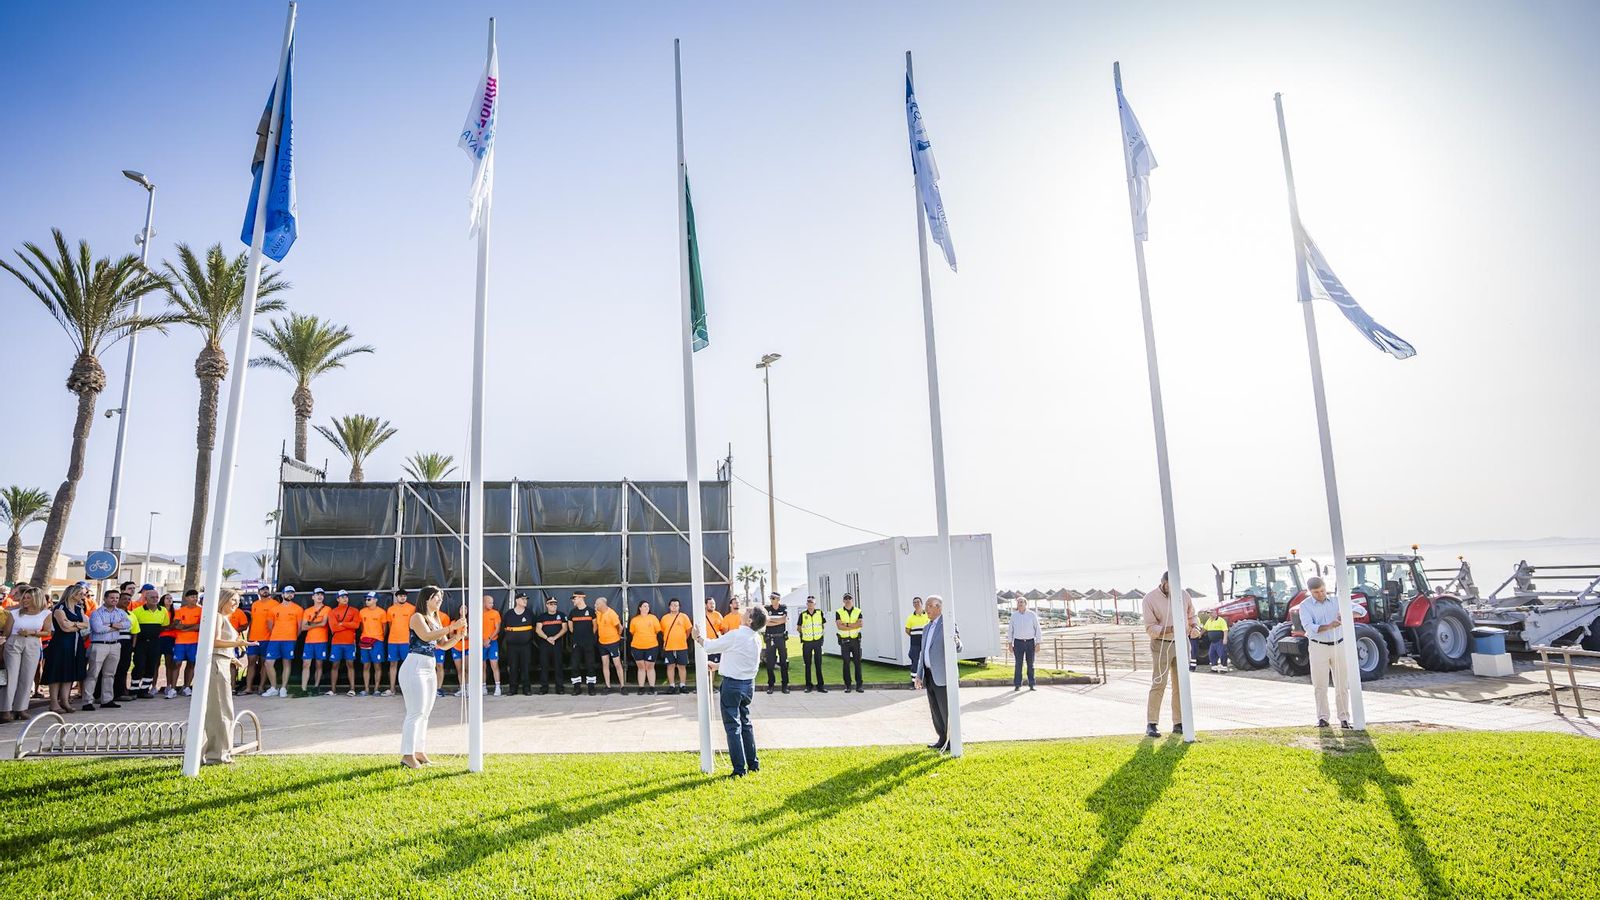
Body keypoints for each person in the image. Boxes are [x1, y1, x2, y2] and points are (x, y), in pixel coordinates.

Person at [692, 603, 767, 778]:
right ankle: (753, 764)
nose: (744, 609)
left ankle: (739, 770)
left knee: (733, 727)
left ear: (750, 620)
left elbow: (710, 646)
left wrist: (698, 637)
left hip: (733, 685)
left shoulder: (736, 635)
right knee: (746, 725)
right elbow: (742, 659)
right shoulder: (756, 638)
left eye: (748, 611)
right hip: (748, 685)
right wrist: (718, 666)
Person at [398, 585, 467, 768]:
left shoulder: (435, 619)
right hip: (414, 666)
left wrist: (458, 636)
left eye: (441, 598)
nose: (439, 600)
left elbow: (443, 645)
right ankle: (407, 754)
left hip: (429, 666)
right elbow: (427, 636)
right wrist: (452, 626)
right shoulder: (417, 617)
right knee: (415, 712)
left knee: (425, 713)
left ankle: (419, 752)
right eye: (436, 597)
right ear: (426, 598)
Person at [1141, 572, 1200, 738]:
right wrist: (1172, 629)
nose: (1173, 589)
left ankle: (1179, 723)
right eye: (1170, 586)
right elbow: (1150, 629)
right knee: (1159, 683)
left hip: (1182, 644)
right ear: (1163, 583)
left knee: (1180, 684)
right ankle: (1151, 724)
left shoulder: (1184, 595)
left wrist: (1196, 627)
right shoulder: (1149, 599)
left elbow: (1192, 616)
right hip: (1161, 645)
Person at [202, 589, 252, 765]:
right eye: (233, 600)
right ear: (223, 600)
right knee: (221, 710)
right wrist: (238, 643)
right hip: (217, 665)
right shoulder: (217, 616)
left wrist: (232, 658)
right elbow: (213, 642)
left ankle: (215, 751)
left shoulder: (225, 618)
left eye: (238, 601)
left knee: (221, 709)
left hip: (223, 662)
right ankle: (217, 755)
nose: (236, 604)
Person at [1299, 576, 1352, 729]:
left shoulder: (1337, 600)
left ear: (1325, 587)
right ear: (1310, 592)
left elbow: (1360, 610)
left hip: (1339, 645)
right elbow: (1309, 627)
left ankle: (1344, 718)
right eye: (1316, 592)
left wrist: (1348, 615)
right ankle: (1322, 718)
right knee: (1320, 684)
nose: (1320, 594)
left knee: (1342, 684)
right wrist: (1329, 626)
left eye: (1322, 590)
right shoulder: (1305, 606)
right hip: (1318, 647)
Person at [2, 585, 50, 721]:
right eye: (24, 597)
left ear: (37, 599)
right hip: (14, 643)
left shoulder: (45, 613)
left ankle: (21, 708)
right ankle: (5, 709)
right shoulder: (15, 613)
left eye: (29, 598)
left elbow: (47, 632)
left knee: (27, 676)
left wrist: (32, 632)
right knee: (11, 676)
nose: (25, 600)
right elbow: (6, 633)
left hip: (33, 643)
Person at [912, 595, 952, 752]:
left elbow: (958, 645)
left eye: (929, 606)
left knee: (945, 709)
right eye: (926, 606)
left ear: (938, 607)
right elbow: (923, 653)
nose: (926, 609)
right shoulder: (927, 627)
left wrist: (956, 642)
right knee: (935, 709)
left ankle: (951, 739)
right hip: (928, 674)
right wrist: (919, 674)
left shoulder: (947, 624)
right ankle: (941, 738)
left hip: (941, 675)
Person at [43, 583, 91, 713]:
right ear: (72, 594)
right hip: (61, 644)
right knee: (57, 672)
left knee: (69, 672)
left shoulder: (78, 608)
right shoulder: (59, 608)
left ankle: (65, 700)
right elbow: (64, 627)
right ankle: (53, 702)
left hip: (75, 643)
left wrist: (73, 624)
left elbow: (86, 624)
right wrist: (77, 625)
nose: (83, 596)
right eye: (80, 593)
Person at [84, 588, 133, 710]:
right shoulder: (97, 613)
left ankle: (107, 699)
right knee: (93, 674)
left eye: (116, 598)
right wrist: (115, 626)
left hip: (115, 645)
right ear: (105, 599)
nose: (114, 600)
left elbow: (128, 625)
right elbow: (98, 629)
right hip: (99, 644)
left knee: (110, 674)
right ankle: (87, 701)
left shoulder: (121, 612)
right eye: (112, 598)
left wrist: (109, 625)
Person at [130, 587, 171, 697]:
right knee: (139, 665)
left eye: (157, 597)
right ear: (146, 598)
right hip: (141, 642)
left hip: (155, 642)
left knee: (151, 665)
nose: (155, 599)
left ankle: (144, 690)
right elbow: (133, 628)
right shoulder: (137, 611)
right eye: (152, 597)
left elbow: (165, 625)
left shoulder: (163, 610)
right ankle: (133, 689)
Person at [264, 587, 303, 697]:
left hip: (290, 640)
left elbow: (299, 627)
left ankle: (283, 688)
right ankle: (273, 687)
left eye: (292, 593)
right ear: (282, 594)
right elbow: (270, 626)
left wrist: (292, 636)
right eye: (287, 592)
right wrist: (277, 634)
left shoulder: (298, 609)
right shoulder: (274, 609)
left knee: (287, 663)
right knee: (268, 663)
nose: (290, 595)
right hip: (274, 639)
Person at [168, 590, 204, 698]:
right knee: (177, 664)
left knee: (191, 664)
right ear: (186, 598)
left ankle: (187, 687)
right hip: (180, 641)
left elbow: (200, 626)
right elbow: (177, 626)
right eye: (192, 597)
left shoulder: (201, 610)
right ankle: (173, 688)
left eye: (196, 597)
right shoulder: (180, 611)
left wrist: (186, 627)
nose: (195, 599)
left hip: (194, 641)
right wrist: (193, 627)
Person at [243, 588, 278, 695]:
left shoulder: (275, 604)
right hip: (254, 638)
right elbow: (252, 621)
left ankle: (261, 687)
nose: (265, 591)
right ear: (259, 592)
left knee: (264, 663)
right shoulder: (255, 604)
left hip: (267, 638)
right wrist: (248, 636)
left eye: (266, 589)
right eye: (262, 590)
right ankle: (248, 687)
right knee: (251, 662)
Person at [327, 590, 361, 696]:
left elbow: (356, 625)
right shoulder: (332, 612)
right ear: (337, 599)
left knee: (350, 664)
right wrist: (348, 624)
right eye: (342, 597)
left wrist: (342, 623)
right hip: (336, 643)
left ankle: (352, 689)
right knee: (335, 665)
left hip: (350, 642)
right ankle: (333, 690)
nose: (345, 598)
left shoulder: (354, 611)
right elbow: (334, 627)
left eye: (346, 596)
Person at [298, 589, 332, 695]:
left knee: (319, 664)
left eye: (321, 594)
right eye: (317, 594)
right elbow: (303, 627)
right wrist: (316, 623)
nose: (319, 596)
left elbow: (324, 623)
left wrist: (310, 624)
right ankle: (303, 688)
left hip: (321, 641)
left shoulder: (327, 609)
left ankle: (316, 687)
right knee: (306, 664)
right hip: (309, 641)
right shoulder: (307, 610)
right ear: (313, 597)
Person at [501, 593, 535, 695]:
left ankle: (526, 689)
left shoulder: (529, 613)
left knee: (526, 667)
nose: (525, 601)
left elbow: (534, 628)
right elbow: (503, 629)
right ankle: (513, 689)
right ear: (517, 600)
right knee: (513, 667)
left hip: (526, 646)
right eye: (523, 599)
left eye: (526, 599)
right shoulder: (509, 614)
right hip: (512, 647)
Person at [384, 588, 415, 697]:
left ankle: (408, 689)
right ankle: (392, 689)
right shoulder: (391, 609)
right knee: (393, 664)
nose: (403, 597)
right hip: (392, 641)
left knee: (407, 665)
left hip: (406, 641)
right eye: (401, 595)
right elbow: (389, 625)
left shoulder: (412, 608)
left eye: (405, 596)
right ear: (396, 597)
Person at [534, 597, 568, 695]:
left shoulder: (561, 615)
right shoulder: (542, 616)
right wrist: (547, 638)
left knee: (558, 666)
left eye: (555, 604)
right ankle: (544, 688)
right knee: (544, 666)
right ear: (547, 605)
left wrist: (555, 638)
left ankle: (560, 688)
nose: (553, 606)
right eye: (551, 604)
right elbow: (538, 630)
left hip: (557, 644)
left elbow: (564, 628)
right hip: (545, 645)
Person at [659, 598, 694, 695]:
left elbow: (689, 629)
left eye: (676, 605)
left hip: (681, 646)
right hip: (669, 646)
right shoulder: (664, 618)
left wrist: (683, 638)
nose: (674, 607)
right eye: (672, 605)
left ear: (679, 607)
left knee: (682, 666)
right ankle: (672, 686)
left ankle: (682, 685)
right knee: (670, 666)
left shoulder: (684, 617)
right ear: (669, 606)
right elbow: (662, 631)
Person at [565, 592, 597, 695]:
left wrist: (588, 637)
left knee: (590, 664)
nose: (573, 600)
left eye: (574, 598)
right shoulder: (572, 612)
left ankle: (591, 688)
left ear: (581, 598)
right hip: (576, 643)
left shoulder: (591, 611)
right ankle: (576, 688)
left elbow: (595, 627)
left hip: (588, 643)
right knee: (575, 665)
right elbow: (570, 627)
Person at [357, 592, 388, 696]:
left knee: (377, 665)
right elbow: (361, 626)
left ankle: (376, 689)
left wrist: (379, 637)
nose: (367, 601)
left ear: (376, 600)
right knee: (366, 665)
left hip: (377, 641)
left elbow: (385, 628)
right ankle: (366, 689)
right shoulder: (362, 612)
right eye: (366, 599)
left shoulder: (382, 612)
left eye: (369, 599)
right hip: (365, 640)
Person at [628, 600, 661, 695]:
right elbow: (632, 632)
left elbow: (658, 631)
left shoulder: (653, 618)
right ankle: (641, 687)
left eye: (648, 606)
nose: (647, 608)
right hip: (637, 646)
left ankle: (652, 687)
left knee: (650, 667)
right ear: (640, 608)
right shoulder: (635, 620)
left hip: (651, 646)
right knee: (641, 667)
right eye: (644, 606)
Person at [1009, 596, 1042, 691]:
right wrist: (1010, 644)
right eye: (1018, 602)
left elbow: (1038, 629)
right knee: (1018, 664)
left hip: (1030, 642)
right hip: (1018, 643)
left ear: (1025, 604)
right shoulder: (1014, 616)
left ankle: (1031, 684)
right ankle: (1017, 684)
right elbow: (1010, 630)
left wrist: (1038, 643)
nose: (1020, 603)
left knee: (1030, 664)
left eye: (1021, 602)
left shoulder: (1032, 615)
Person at [113, 582, 139, 701]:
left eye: (129, 599)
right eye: (124, 599)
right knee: (111, 669)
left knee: (123, 668)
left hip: (126, 645)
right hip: (113, 643)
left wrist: (132, 647)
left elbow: (135, 632)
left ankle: (121, 691)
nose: (127, 601)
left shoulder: (131, 615)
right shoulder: (111, 612)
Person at [594, 596, 625, 694]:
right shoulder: (598, 613)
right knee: (605, 664)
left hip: (613, 643)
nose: (595, 605)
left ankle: (623, 686)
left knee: (617, 664)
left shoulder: (612, 614)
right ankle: (608, 686)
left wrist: (618, 636)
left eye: (597, 604)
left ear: (603, 604)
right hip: (602, 643)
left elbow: (620, 627)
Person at [761, 592, 790, 695]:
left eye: (774, 598)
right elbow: (765, 622)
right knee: (770, 663)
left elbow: (784, 620)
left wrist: (772, 620)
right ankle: (771, 685)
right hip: (770, 638)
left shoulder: (783, 607)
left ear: (778, 599)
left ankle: (785, 685)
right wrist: (779, 620)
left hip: (781, 638)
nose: (772, 600)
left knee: (783, 662)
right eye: (771, 598)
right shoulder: (767, 608)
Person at [797, 596, 828, 693]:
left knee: (818, 664)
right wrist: (806, 633)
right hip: (807, 642)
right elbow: (798, 628)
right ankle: (808, 686)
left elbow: (822, 625)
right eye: (808, 603)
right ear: (807, 604)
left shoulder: (819, 613)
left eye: (812, 602)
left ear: (815, 604)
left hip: (817, 642)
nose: (810, 604)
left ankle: (820, 686)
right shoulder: (802, 614)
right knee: (808, 665)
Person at [835, 592, 864, 693]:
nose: (847, 600)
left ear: (852, 600)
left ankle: (859, 685)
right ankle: (847, 686)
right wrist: (853, 624)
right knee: (846, 663)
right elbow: (839, 626)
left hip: (855, 640)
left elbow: (860, 624)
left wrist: (846, 624)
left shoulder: (858, 611)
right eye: (845, 598)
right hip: (844, 641)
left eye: (849, 598)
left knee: (857, 663)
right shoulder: (838, 612)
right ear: (843, 600)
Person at [477, 594, 503, 695]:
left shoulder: (495, 613)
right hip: (480, 643)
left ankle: (497, 687)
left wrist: (488, 639)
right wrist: (482, 640)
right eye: (490, 602)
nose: (492, 604)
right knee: (482, 666)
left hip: (492, 642)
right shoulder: (477, 613)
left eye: (492, 602)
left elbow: (497, 628)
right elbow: (475, 628)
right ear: (484, 602)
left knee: (494, 665)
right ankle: (483, 687)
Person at [904, 597, 929, 687]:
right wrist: (915, 636)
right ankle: (914, 682)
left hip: (926, 642)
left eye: (918, 602)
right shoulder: (910, 618)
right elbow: (907, 630)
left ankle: (927, 682)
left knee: (927, 660)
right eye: (914, 602)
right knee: (915, 661)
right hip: (915, 643)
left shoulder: (927, 615)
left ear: (922, 603)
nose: (916, 604)